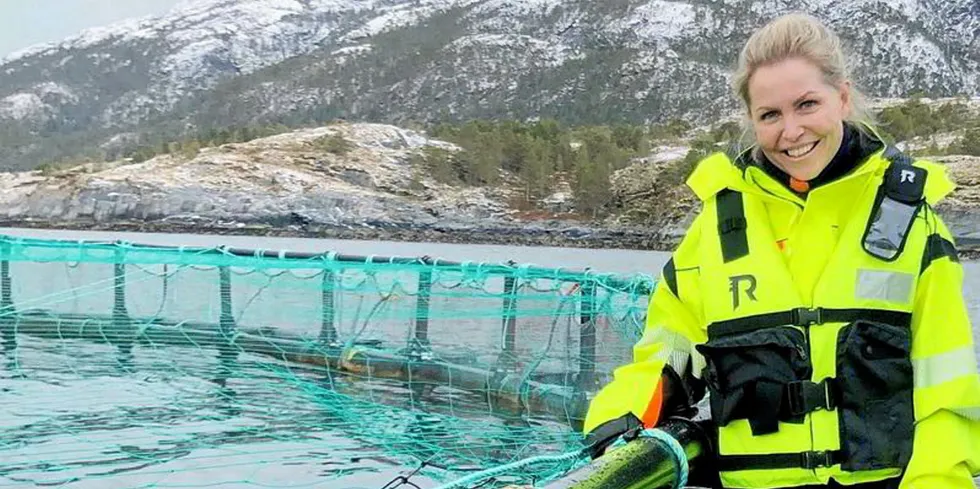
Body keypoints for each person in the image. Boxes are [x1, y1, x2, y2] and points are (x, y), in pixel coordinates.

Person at [581, 12, 980, 489]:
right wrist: (615, 418)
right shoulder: (714, 229)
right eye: (770, 115)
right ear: (752, 121)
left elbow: (947, 385)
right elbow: (666, 357)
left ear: (843, 98)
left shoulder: (911, 220)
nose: (791, 132)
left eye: (807, 104)